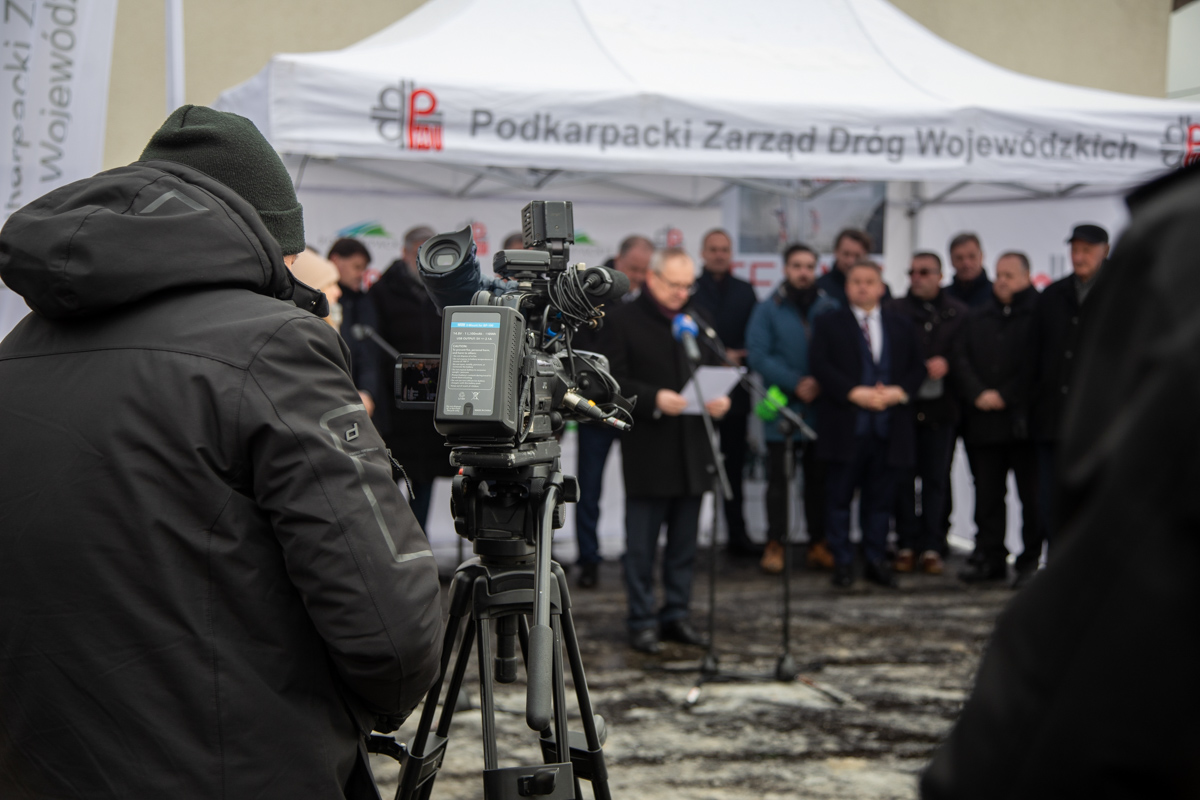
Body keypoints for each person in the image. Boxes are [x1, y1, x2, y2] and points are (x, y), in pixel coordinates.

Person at [0, 106, 443, 799]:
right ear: (265, 241)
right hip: (235, 763)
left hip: (42, 763)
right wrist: (374, 708)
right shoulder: (274, 343)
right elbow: (390, 631)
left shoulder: (18, 348)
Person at [920, 161, 1200, 800]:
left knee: (1036, 502)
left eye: (1087, 249)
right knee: (996, 497)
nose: (1078, 257)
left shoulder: (1179, 240)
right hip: (1029, 420)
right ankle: (995, 554)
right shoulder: (1164, 243)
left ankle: (1025, 556)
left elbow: (1135, 543)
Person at [605, 246, 732, 654]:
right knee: (642, 549)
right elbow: (610, 384)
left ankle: (677, 614)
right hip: (649, 450)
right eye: (674, 285)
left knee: (683, 547)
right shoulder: (623, 319)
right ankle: (641, 620)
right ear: (652, 278)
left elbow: (714, 365)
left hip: (693, 450)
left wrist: (719, 400)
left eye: (687, 285)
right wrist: (653, 399)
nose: (682, 293)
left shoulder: (697, 319)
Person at [810, 260, 926, 589]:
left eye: (869, 281)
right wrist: (852, 392)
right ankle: (843, 562)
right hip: (845, 427)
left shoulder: (901, 324)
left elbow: (917, 368)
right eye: (856, 281)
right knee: (838, 499)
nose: (863, 287)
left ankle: (875, 558)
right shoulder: (828, 323)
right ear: (847, 287)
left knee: (880, 500)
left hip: (889, 428)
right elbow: (819, 365)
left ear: (881, 287)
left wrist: (899, 392)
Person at [745, 243, 840, 574]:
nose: (803, 273)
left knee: (819, 482)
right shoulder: (767, 309)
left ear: (817, 270)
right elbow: (758, 354)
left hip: (820, 409)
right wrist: (795, 382)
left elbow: (841, 352)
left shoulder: (829, 307)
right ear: (785, 269)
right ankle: (775, 544)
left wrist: (819, 382)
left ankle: (818, 543)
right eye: (797, 266)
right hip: (781, 409)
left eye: (809, 267)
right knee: (779, 482)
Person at [951, 252, 1042, 587]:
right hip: (984, 421)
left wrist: (1007, 394)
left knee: (1031, 497)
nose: (1002, 281)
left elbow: (1038, 365)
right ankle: (990, 557)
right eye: (999, 275)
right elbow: (960, 357)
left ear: (1027, 277)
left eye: (1009, 276)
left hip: (1024, 423)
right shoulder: (978, 315)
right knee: (987, 495)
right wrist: (978, 392)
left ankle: (1029, 561)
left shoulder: (1039, 315)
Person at [571, 234, 654, 589]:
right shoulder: (592, 291)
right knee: (589, 489)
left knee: (641, 486)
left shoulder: (650, 300)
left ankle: (638, 556)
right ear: (618, 261)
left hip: (635, 408)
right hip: (597, 408)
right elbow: (579, 350)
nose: (638, 277)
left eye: (645, 271)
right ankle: (588, 559)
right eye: (633, 269)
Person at [369, 224, 458, 530]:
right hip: (394, 411)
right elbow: (372, 351)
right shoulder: (381, 292)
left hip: (429, 412)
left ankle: (419, 543)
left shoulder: (446, 292)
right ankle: (390, 547)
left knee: (424, 481)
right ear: (404, 253)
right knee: (387, 482)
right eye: (417, 254)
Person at [1029, 223, 1109, 549]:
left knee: (1094, 501)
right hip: (1052, 419)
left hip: (1098, 423)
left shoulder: (1122, 293)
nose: (1079, 257)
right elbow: (1033, 355)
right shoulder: (1053, 295)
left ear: (1105, 251)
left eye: (1087, 250)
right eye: (1075, 250)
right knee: (1050, 500)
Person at [887, 252, 967, 575]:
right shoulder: (894, 310)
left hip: (941, 408)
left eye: (924, 272)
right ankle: (906, 543)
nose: (917, 278)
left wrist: (948, 362)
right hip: (904, 407)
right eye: (912, 272)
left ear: (940, 276)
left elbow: (967, 352)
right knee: (903, 479)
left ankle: (933, 544)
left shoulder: (957, 313)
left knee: (937, 479)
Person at [690, 228, 759, 557]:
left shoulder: (745, 291)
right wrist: (714, 355)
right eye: (713, 249)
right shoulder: (690, 289)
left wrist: (739, 354)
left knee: (734, 466)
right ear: (703, 253)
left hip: (735, 391)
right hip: (697, 389)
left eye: (724, 249)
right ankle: (690, 537)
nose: (719, 254)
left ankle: (737, 535)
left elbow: (755, 336)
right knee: (696, 465)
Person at [328, 237, 381, 416]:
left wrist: (367, 391)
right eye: (357, 267)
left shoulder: (364, 302)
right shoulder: (318, 301)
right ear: (335, 260)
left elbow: (368, 355)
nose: (361, 274)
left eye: (364, 269)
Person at [815, 228, 891, 306]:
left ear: (866, 255)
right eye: (846, 254)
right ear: (836, 252)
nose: (850, 261)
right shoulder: (819, 287)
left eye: (857, 256)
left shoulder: (880, 290)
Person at [944, 233, 993, 309]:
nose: (966, 263)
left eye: (972, 256)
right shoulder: (941, 298)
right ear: (951, 260)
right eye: (959, 258)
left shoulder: (998, 296)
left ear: (981, 257)